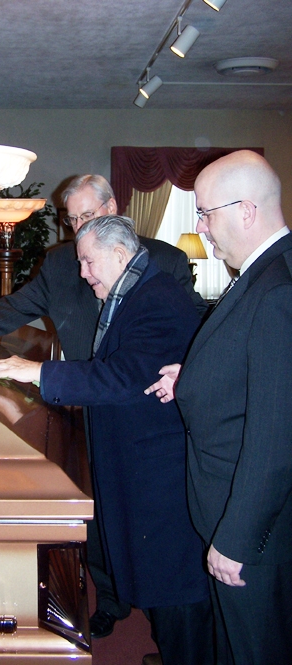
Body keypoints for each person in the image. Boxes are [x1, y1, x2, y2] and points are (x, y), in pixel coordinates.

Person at [0, 174, 207, 639]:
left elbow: (189, 333)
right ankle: (112, 597)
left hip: (141, 415)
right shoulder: (65, 263)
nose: (79, 227)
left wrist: (190, 367)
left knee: (154, 530)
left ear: (113, 210)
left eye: (89, 216)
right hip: (86, 409)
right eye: (73, 219)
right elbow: (15, 306)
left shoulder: (163, 264)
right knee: (104, 516)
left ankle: (155, 603)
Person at [145, 150, 292, 664]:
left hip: (252, 529)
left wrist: (235, 538)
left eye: (206, 213)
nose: (202, 228)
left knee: (255, 650)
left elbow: (277, 436)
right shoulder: (267, 271)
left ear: (246, 211)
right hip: (235, 510)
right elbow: (262, 374)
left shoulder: (277, 289)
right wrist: (196, 377)